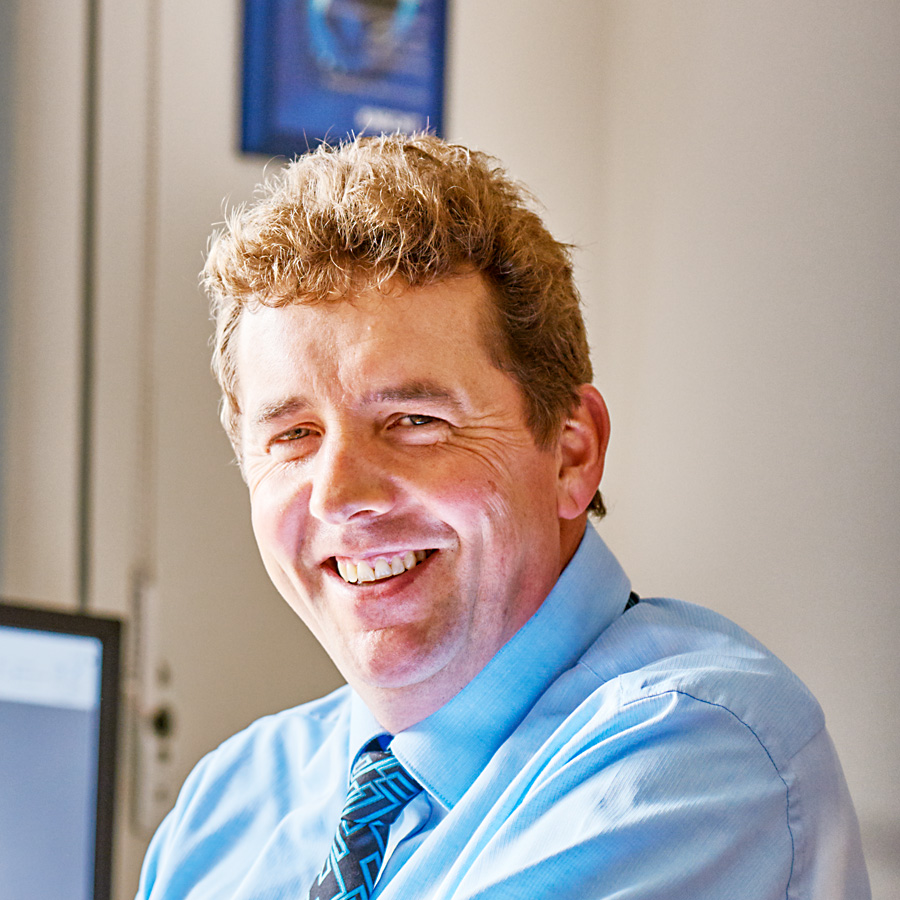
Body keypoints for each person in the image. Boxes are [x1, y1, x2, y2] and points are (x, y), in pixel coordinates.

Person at [135, 133, 870, 899]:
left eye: (415, 421)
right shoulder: (230, 799)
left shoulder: (696, 755)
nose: (339, 495)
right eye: (294, 435)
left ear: (572, 455)